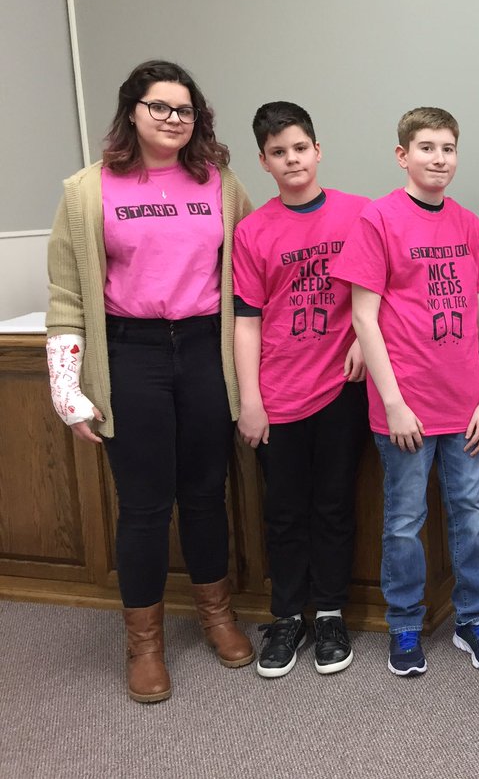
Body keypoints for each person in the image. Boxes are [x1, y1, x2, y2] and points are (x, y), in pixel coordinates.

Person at [46, 60, 255, 703]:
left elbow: (251, 276)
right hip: (130, 353)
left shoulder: (219, 184)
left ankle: (217, 614)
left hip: (203, 350)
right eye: (159, 107)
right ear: (132, 111)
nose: (172, 119)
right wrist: (66, 386)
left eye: (184, 110)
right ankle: (144, 643)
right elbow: (65, 293)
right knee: (142, 504)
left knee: (204, 493)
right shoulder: (87, 189)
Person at [332, 106, 479, 676]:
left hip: (465, 408)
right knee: (404, 521)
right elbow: (364, 318)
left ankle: (473, 617)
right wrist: (393, 403)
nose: (440, 158)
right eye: (427, 147)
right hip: (404, 409)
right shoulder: (378, 220)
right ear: (403, 155)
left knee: (471, 514)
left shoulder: (468, 223)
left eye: (449, 148)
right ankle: (405, 624)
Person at [233, 101, 371, 678]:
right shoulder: (253, 230)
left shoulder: (360, 215)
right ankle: (288, 616)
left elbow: (380, 292)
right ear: (263, 162)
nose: (291, 160)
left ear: (317, 150)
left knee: (336, 505)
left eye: (299, 148)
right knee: (284, 512)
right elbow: (245, 319)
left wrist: (367, 338)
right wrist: (250, 400)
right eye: (277, 152)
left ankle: (332, 612)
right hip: (279, 393)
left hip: (341, 390)